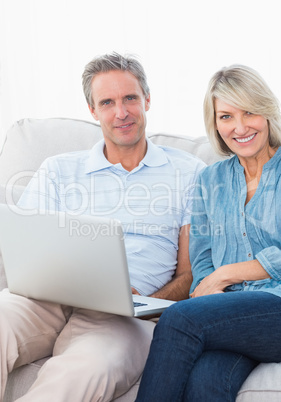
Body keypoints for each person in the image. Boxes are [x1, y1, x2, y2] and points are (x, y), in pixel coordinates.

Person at [0, 53, 205, 401]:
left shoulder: (189, 173)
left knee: (85, 371)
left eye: (130, 99)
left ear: (148, 100)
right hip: (43, 299)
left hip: (128, 315)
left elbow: (189, 274)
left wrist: (150, 301)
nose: (121, 112)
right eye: (107, 102)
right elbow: (26, 246)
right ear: (93, 110)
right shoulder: (58, 170)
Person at [135, 64, 281, 402]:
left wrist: (226, 275)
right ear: (215, 124)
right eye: (226, 116)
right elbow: (202, 260)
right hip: (233, 316)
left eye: (250, 113)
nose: (240, 127)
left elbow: (215, 275)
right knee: (206, 383)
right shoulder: (210, 180)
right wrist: (212, 285)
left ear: (267, 113)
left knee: (179, 318)